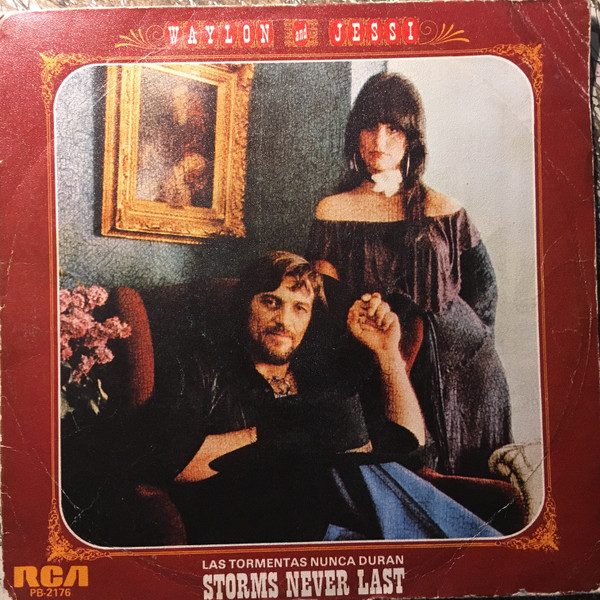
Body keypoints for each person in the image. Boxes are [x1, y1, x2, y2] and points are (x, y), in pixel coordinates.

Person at [133, 251, 500, 544]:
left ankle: (467, 554)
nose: (284, 320)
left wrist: (388, 354)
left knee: (363, 465)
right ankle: (476, 552)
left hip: (338, 527)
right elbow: (172, 464)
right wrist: (280, 432)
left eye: (299, 308)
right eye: (271, 302)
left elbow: (408, 445)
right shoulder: (202, 367)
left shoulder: (320, 374)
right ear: (246, 305)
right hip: (255, 524)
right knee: (345, 465)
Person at [307, 72, 512, 478]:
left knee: (476, 491)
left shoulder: (445, 208)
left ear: (412, 138)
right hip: (382, 366)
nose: (379, 141)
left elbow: (484, 291)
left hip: (464, 378)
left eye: (394, 129)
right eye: (370, 126)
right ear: (355, 132)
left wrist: (467, 356)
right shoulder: (332, 210)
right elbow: (324, 298)